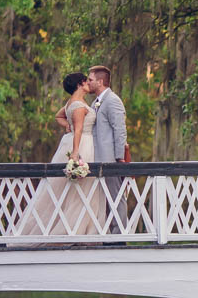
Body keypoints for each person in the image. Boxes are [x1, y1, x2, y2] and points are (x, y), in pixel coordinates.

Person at [11, 72, 105, 241]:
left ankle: (79, 229)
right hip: (81, 144)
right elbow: (78, 130)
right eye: (86, 81)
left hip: (73, 142)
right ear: (80, 84)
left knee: (71, 189)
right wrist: (76, 153)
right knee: (79, 189)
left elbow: (58, 116)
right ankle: (74, 231)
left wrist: (66, 125)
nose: (88, 84)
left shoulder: (71, 103)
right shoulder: (78, 105)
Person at [87, 65, 129, 234]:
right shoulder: (95, 102)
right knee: (102, 199)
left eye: (90, 80)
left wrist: (119, 157)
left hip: (111, 159)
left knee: (116, 197)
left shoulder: (113, 100)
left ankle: (119, 235)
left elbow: (120, 130)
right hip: (97, 159)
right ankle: (106, 233)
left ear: (100, 81)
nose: (88, 83)